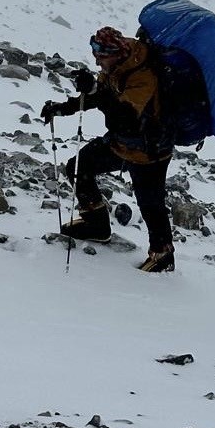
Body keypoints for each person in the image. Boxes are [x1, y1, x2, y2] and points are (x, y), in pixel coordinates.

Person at [40, 26, 176, 273]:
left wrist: (95, 91)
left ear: (117, 52)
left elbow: (124, 118)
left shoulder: (143, 77)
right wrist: (62, 108)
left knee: (150, 203)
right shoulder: (116, 67)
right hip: (122, 143)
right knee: (79, 167)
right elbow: (99, 96)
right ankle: (97, 225)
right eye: (94, 52)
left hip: (150, 152)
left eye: (101, 55)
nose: (96, 59)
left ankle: (163, 255)